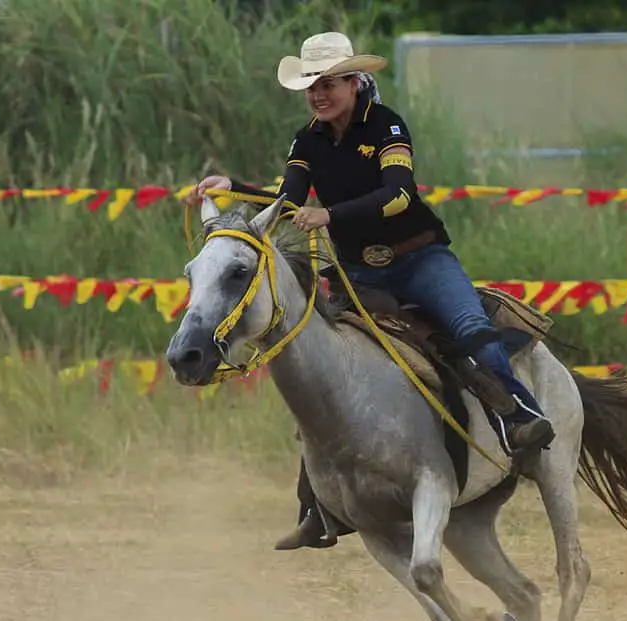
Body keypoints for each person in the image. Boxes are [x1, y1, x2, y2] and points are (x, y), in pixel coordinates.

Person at [182, 32, 555, 551]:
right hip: (360, 272)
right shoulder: (307, 139)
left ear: (355, 82)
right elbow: (288, 198)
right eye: (312, 85)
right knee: (323, 363)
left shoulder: (387, 125)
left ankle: (521, 418)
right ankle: (317, 499)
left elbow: (399, 194)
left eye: (328, 83)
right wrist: (235, 186)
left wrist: (329, 214)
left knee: (468, 327)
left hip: (420, 260)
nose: (318, 93)